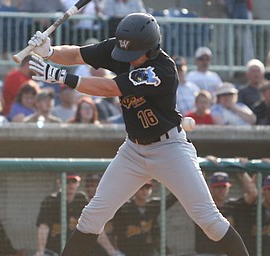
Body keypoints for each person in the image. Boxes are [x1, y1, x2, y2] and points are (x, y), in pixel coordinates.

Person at [27, 12, 250, 256]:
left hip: (170, 149)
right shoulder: (122, 49)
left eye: (134, 55)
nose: (128, 60)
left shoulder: (162, 69)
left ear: (152, 48)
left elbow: (110, 88)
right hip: (133, 150)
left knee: (210, 222)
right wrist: (50, 52)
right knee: (91, 218)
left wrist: (61, 77)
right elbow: (80, 54)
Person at [195, 170, 258, 256]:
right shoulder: (204, 206)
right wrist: (202, 168)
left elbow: (253, 193)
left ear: (228, 188)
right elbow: (196, 187)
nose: (221, 190)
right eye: (217, 187)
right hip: (205, 253)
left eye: (224, 187)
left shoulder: (232, 206)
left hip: (226, 252)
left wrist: (241, 170)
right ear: (210, 188)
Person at [112, 181, 177, 256]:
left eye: (148, 188)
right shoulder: (125, 208)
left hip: (147, 249)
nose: (145, 191)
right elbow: (117, 232)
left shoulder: (153, 205)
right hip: (128, 249)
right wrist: (116, 251)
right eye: (141, 188)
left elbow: (170, 199)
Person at [35, 173, 89, 256]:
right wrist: (40, 252)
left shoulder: (81, 199)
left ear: (78, 183)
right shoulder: (50, 201)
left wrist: (113, 252)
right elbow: (43, 227)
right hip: (53, 251)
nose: (70, 184)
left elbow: (93, 224)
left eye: (73, 181)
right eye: (67, 181)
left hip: (76, 251)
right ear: (59, 183)